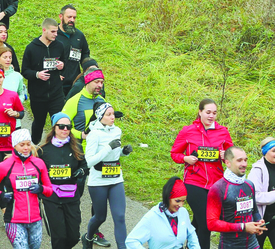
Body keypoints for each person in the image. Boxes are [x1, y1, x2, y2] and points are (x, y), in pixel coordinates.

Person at [171, 98, 234, 249]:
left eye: (214, 113)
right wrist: (185, 158)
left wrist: (225, 155)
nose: (211, 116)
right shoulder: (188, 131)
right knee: (206, 224)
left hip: (216, 183)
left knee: (200, 220)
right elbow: (175, 154)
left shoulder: (222, 131)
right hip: (194, 182)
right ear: (200, 112)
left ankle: (187, 243)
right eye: (208, 112)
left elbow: (233, 154)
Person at [0, 128, 53, 249]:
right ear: (14, 146)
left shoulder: (39, 163)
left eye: (28, 144)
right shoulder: (4, 166)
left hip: (36, 220)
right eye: (22, 145)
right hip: (14, 220)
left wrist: (41, 188)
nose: (26, 148)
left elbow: (49, 190)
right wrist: (1, 196)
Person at [81, 103, 132, 249]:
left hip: (116, 179)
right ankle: (88, 237)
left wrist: (124, 152)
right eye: (108, 114)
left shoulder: (117, 131)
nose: (112, 117)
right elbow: (90, 161)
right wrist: (108, 146)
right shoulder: (94, 134)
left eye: (113, 114)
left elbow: (114, 155)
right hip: (98, 182)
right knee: (100, 217)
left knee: (120, 217)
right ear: (100, 116)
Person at [39, 113, 88, 249]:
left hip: (71, 198)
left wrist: (81, 171)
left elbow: (85, 165)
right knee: (59, 237)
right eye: (61, 126)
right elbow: (36, 172)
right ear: (54, 128)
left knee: (73, 237)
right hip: (51, 199)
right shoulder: (43, 150)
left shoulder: (76, 147)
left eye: (68, 127)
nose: (65, 129)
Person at [207, 146, 267, 249]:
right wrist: (243, 227)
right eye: (239, 160)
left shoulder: (249, 184)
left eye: (245, 160)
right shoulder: (218, 188)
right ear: (227, 163)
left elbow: (254, 211)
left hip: (253, 244)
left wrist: (259, 221)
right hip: (230, 245)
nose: (244, 164)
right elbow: (211, 224)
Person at [21, 18, 67, 144]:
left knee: (59, 122)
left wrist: (62, 66)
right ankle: (34, 146)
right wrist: (37, 74)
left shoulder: (59, 46)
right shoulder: (31, 48)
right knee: (39, 123)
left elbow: (64, 64)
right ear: (44, 30)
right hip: (38, 95)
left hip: (56, 94)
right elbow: (24, 71)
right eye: (53, 31)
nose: (55, 34)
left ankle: (57, 147)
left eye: (56, 31)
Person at [126, 177, 199, 249]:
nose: (181, 205)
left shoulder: (183, 212)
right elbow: (131, 241)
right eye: (177, 201)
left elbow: (191, 234)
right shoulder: (152, 216)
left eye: (183, 201)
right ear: (168, 197)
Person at [249, 138, 275, 249]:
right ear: (265, 152)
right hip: (261, 221)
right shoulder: (257, 170)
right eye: (274, 151)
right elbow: (255, 197)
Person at [55, 4, 91, 96]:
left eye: (74, 17)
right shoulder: (53, 35)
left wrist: (87, 69)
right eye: (69, 17)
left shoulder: (79, 35)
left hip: (75, 83)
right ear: (61, 17)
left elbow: (85, 54)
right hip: (57, 83)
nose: (72, 20)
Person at [62, 66, 106, 140]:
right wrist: (81, 135)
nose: (100, 85)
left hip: (97, 148)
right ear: (88, 81)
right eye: (96, 82)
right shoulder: (74, 101)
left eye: (101, 82)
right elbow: (61, 126)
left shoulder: (102, 101)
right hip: (78, 148)